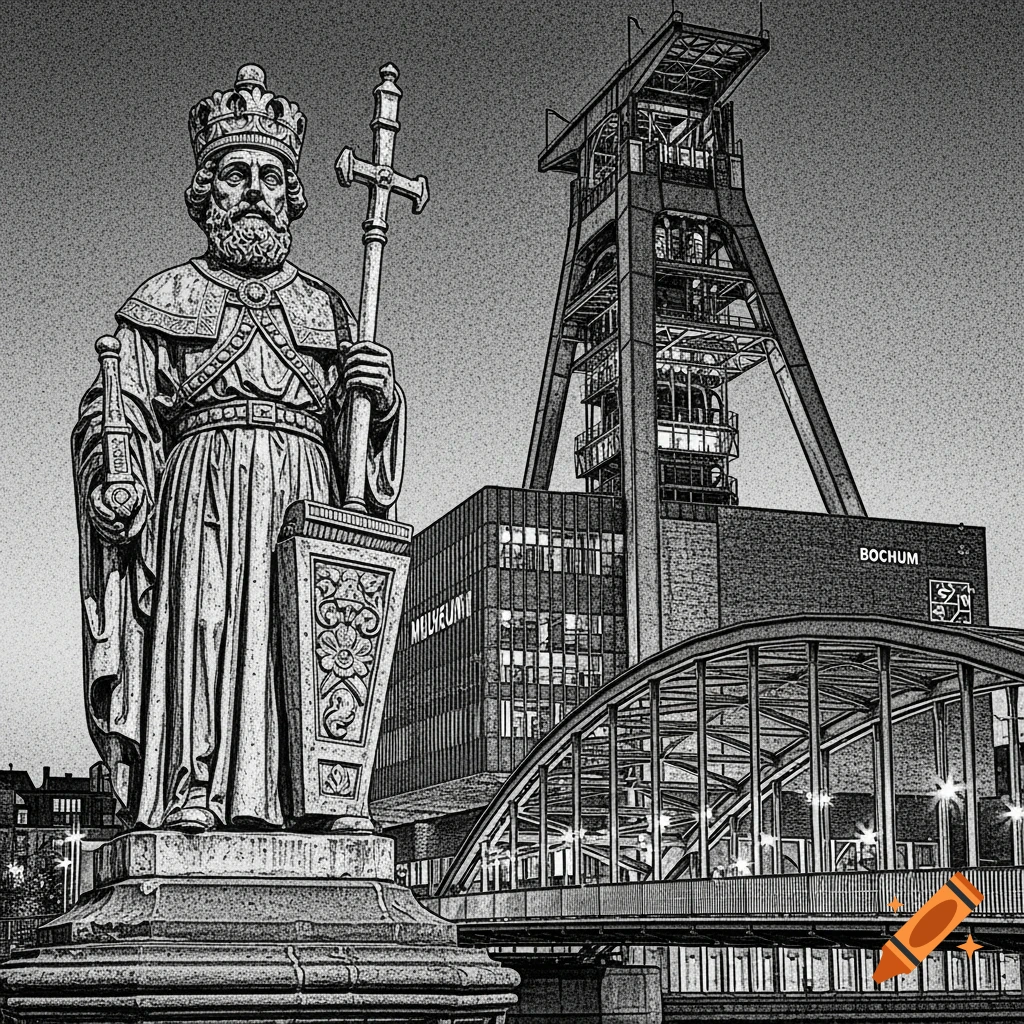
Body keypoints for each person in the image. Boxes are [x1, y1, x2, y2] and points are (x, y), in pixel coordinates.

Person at [72, 65, 404, 834]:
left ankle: (316, 799)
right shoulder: (164, 299)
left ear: (291, 195)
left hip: (305, 497)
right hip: (205, 487)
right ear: (206, 194)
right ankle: (197, 789)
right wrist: (113, 468)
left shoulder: (326, 305)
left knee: (310, 642)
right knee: (207, 629)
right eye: (234, 175)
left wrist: (380, 399)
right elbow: (114, 407)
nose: (253, 188)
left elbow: (359, 443)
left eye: (269, 175)